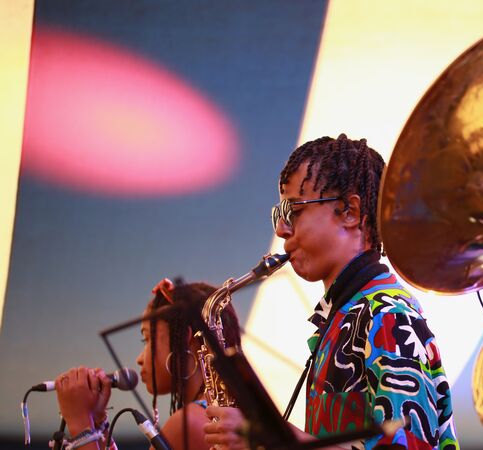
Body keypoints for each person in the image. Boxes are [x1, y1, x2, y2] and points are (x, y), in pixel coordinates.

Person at [204, 134, 459, 450]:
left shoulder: (388, 318)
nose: (281, 229)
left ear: (350, 211)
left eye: (293, 209)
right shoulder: (343, 319)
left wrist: (272, 438)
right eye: (279, 214)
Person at [54, 279, 241, 450]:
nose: (139, 359)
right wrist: (97, 423)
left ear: (184, 337)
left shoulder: (188, 423)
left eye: (147, 339)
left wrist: (80, 423)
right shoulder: (225, 416)